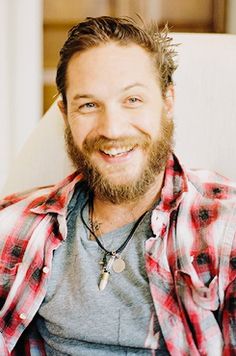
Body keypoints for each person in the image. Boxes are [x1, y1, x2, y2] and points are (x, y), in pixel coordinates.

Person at [0, 16, 235, 356]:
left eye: (132, 100)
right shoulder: (15, 226)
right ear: (65, 113)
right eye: (89, 105)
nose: (111, 129)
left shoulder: (224, 226)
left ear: (167, 102)